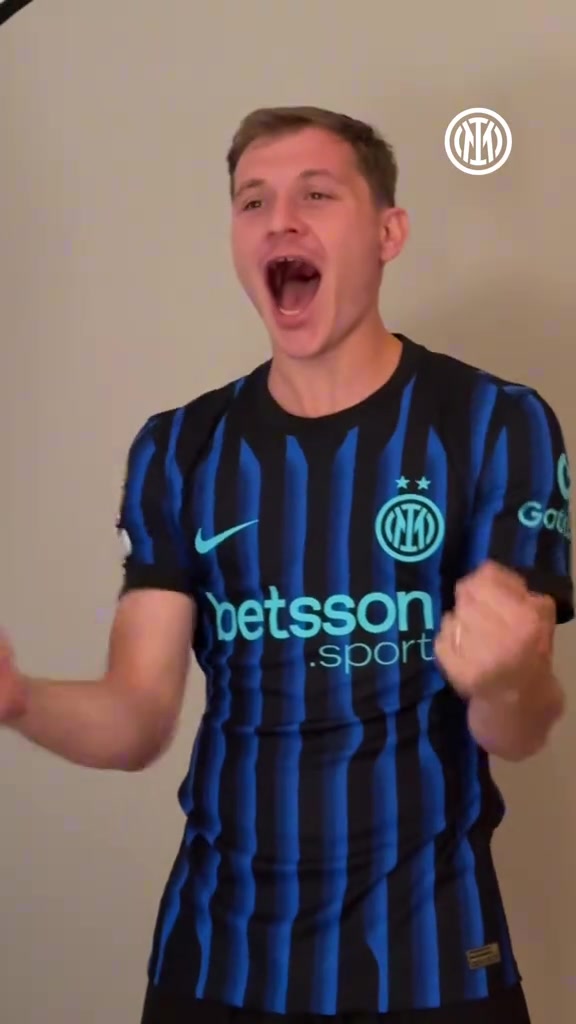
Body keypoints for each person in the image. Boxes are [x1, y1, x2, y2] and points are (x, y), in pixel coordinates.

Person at [1, 106, 573, 1024]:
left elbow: (520, 725)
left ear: (388, 233)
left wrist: (506, 676)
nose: (280, 222)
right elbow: (137, 716)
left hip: (435, 955)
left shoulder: (497, 423)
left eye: (316, 195)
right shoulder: (178, 449)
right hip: (216, 956)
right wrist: (18, 699)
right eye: (253, 202)